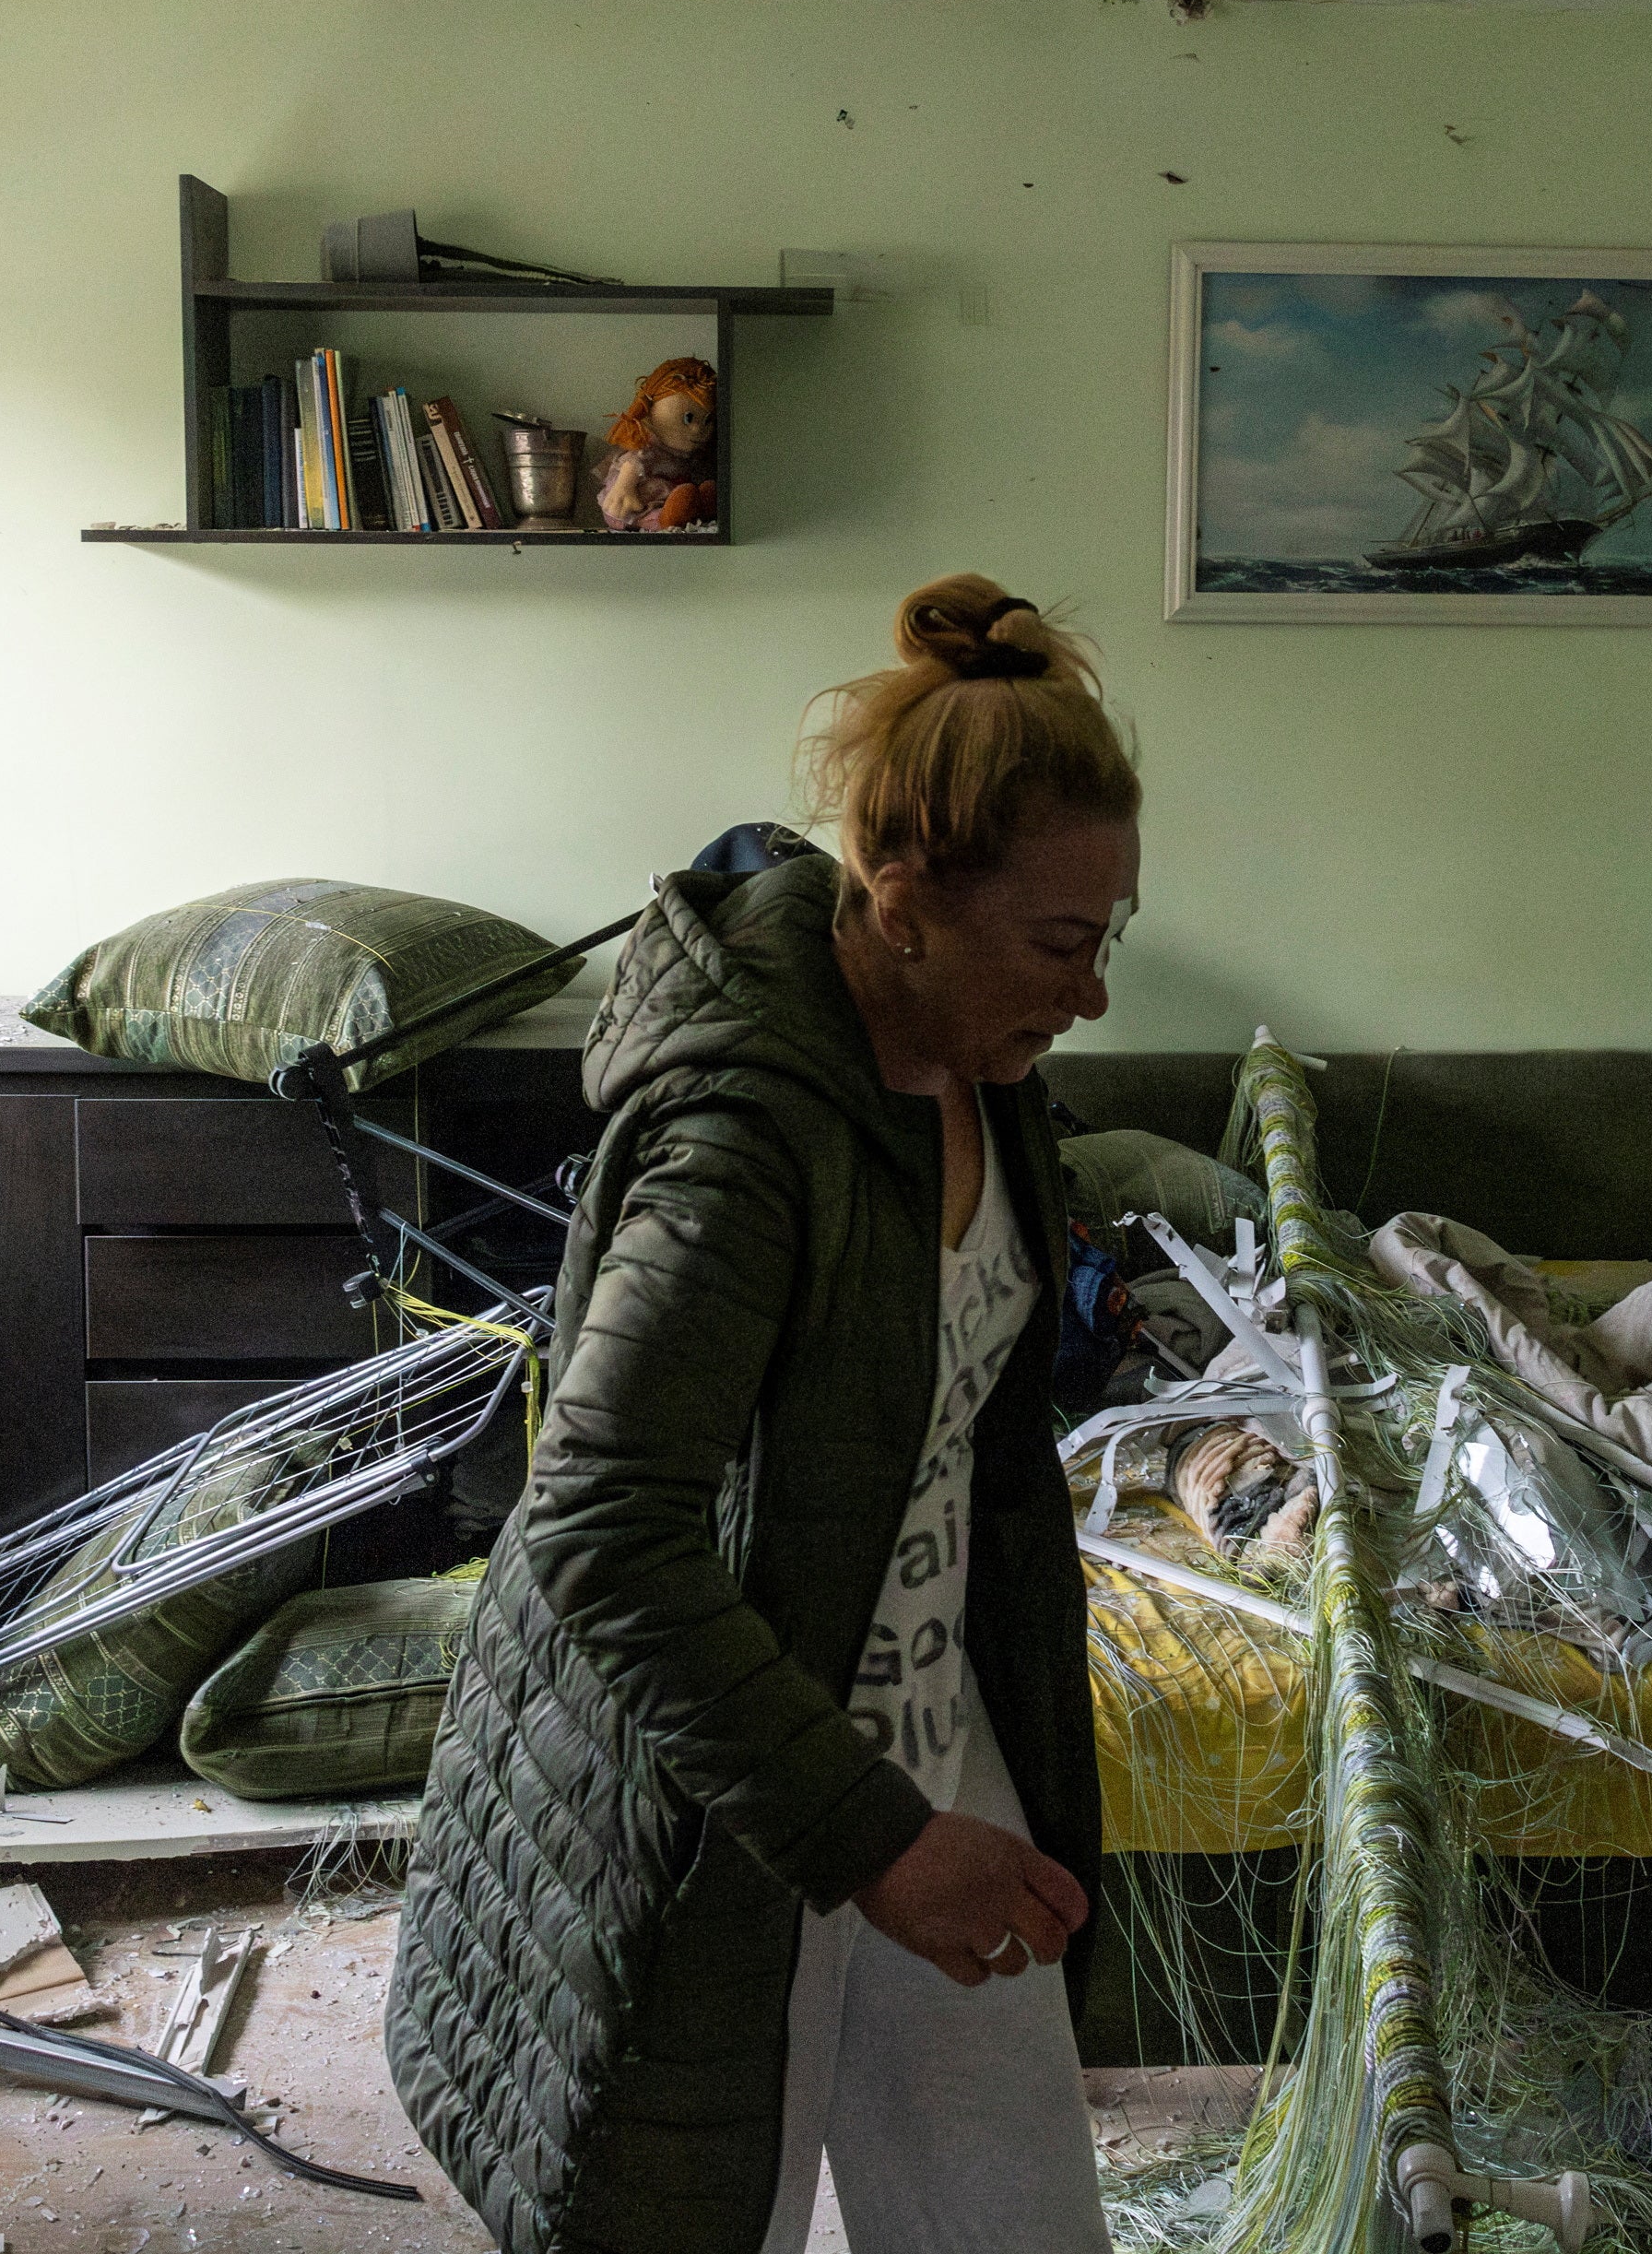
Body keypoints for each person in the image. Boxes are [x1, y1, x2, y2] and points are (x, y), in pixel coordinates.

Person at [387, 574, 1140, 2254]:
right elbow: (596, 1524)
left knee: (1016, 2224)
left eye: (1109, 937)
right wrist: (867, 1834)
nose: (1092, 991)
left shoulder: (985, 1076)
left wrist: (946, 1794)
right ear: (902, 906)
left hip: (933, 1766)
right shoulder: (746, 1144)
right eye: (1063, 943)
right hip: (731, 1803)